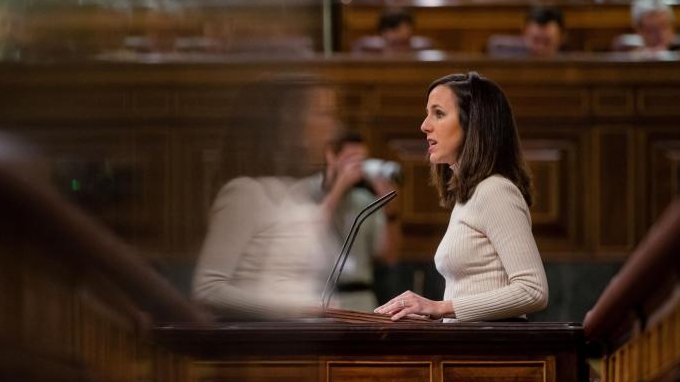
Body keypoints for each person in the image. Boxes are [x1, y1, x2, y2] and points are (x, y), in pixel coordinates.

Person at [375, 72, 548, 322]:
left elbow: (533, 291)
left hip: (495, 346)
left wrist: (438, 308)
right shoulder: (470, 194)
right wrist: (434, 319)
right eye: (427, 113)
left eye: (438, 113)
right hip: (468, 343)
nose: (424, 125)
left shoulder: (495, 191)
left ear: (473, 124)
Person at [192, 79, 341, 321]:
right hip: (265, 343)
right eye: (324, 114)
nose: (334, 127)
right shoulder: (245, 193)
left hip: (305, 340)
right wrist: (301, 309)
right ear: (290, 125)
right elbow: (208, 289)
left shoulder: (299, 195)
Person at [299, 130, 402, 312]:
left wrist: (390, 212)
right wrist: (340, 186)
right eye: (351, 159)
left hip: (360, 298)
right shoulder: (307, 190)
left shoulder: (366, 200)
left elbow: (388, 256)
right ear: (331, 156)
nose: (357, 166)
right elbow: (306, 235)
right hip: (318, 295)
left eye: (361, 160)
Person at [352, 9, 434, 53]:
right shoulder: (366, 48)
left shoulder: (425, 48)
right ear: (382, 32)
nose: (398, 34)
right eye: (394, 29)